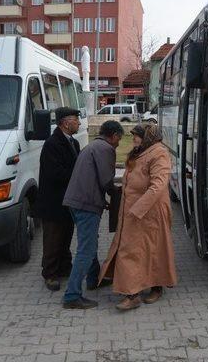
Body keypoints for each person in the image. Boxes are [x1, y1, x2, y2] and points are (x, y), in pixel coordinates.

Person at [99, 124, 177, 311]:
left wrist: (137, 209)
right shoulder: (142, 151)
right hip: (134, 213)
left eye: (136, 136)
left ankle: (146, 290)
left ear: (147, 137)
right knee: (136, 251)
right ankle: (132, 292)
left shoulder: (159, 154)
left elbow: (158, 185)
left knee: (151, 250)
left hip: (150, 213)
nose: (133, 139)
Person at [62, 120, 123, 309]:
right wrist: (119, 194)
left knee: (91, 242)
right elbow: (106, 180)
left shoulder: (92, 145)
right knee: (86, 250)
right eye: (119, 139)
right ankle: (72, 295)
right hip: (85, 204)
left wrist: (101, 198)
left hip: (77, 201)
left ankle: (93, 278)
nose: (119, 143)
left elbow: (92, 178)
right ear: (113, 136)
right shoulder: (105, 149)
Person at [36, 107, 81, 291]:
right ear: (65, 122)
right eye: (76, 120)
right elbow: (55, 173)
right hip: (53, 201)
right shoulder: (52, 144)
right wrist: (79, 175)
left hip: (68, 201)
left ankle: (64, 267)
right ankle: (50, 274)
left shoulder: (73, 142)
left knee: (66, 236)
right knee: (53, 239)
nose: (78, 123)